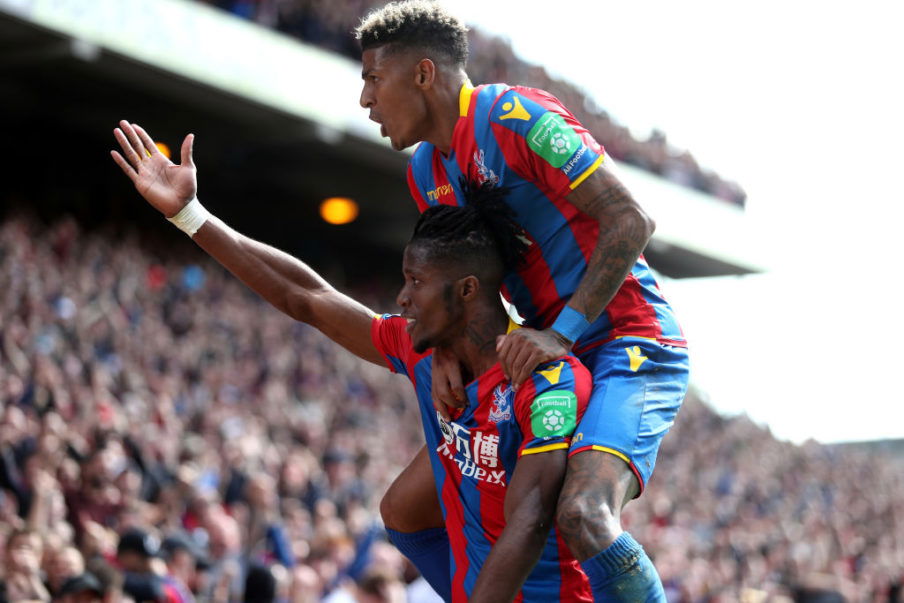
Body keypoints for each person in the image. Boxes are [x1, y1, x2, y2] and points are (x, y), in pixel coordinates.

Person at [110, 121, 593, 601]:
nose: (402, 297)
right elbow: (307, 297)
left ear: (467, 290)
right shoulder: (422, 349)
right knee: (399, 513)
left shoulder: (547, 381)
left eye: (417, 282)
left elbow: (529, 520)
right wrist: (191, 216)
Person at [355, 1, 690, 600]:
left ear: (423, 74)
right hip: (543, 355)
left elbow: (631, 220)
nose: (365, 100)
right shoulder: (427, 171)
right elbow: (464, 280)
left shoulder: (517, 117)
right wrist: (450, 354)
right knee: (405, 510)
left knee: (583, 514)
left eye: (374, 79)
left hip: (626, 343)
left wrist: (561, 333)